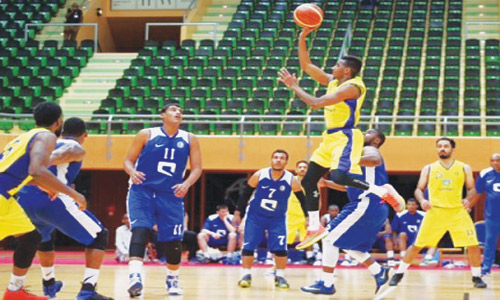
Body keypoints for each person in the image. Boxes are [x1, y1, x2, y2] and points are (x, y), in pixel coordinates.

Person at [278, 28, 403, 250]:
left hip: (347, 135)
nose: (332, 68)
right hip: (330, 137)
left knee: (340, 175)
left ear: (346, 70)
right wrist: (302, 37)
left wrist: (294, 86)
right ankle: (315, 226)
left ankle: (382, 191)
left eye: (336, 65)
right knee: (308, 179)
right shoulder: (334, 81)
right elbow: (307, 66)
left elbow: (316, 103)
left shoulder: (353, 87)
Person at [17, 117, 113, 300]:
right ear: (85, 135)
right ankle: (88, 290)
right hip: (51, 198)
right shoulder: (75, 147)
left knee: (45, 237)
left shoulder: (44, 143)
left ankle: (49, 284)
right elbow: (50, 160)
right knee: (99, 235)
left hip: (26, 198)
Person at [0, 102, 86, 300]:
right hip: (2, 195)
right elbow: (36, 170)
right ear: (59, 122)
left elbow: (18, 170)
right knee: (31, 238)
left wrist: (44, 185)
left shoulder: (23, 137)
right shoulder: (46, 136)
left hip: (7, 196)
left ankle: (15, 291)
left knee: (31, 238)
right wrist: (74, 194)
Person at [301, 129, 402, 296]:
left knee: (328, 238)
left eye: (368, 132)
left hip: (366, 203)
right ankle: (378, 271)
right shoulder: (359, 159)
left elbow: (375, 159)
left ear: (376, 140)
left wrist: (344, 161)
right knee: (347, 244)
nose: (363, 133)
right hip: (372, 205)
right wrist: (326, 183)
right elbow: (349, 185)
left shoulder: (369, 150)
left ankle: (327, 283)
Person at [124, 103, 202, 297]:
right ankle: (135, 277)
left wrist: (187, 184)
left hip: (171, 194)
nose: (178, 113)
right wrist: (132, 172)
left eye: (180, 111)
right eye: (173, 110)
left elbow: (198, 167)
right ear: (162, 115)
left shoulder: (189, 138)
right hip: (143, 190)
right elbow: (127, 161)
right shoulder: (146, 134)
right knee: (140, 230)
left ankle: (173, 279)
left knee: (173, 240)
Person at [389, 137, 487, 288]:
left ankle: (476, 277)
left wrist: (468, 199)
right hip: (435, 212)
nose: (442, 148)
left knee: (473, 245)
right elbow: (418, 189)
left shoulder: (464, 167)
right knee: (417, 245)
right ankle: (399, 273)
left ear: (452, 149)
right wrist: (422, 201)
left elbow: (472, 188)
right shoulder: (429, 168)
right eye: (439, 146)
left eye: (446, 146)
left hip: (457, 212)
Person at [232, 149, 307, 289]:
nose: (278, 160)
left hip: (277, 218)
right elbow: (245, 194)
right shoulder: (260, 174)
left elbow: (302, 200)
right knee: (248, 246)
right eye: (276, 157)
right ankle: (246, 275)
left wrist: (308, 217)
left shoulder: (291, 179)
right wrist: (238, 213)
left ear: (286, 162)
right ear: (271, 160)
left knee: (280, 249)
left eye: (282, 158)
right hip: (256, 216)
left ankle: (280, 276)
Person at [468, 152, 500, 276]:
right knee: (490, 242)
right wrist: (469, 206)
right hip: (492, 215)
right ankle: (486, 269)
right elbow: (478, 192)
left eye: (498, 160)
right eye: (493, 161)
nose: (495, 163)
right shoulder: (485, 174)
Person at [286, 160, 310, 261]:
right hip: (290, 214)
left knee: (308, 238)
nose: (302, 169)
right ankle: (279, 257)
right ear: (296, 170)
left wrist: (313, 215)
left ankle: (310, 257)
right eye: (300, 167)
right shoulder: (290, 181)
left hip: (305, 215)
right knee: (285, 238)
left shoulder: (311, 182)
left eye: (304, 167)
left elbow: (318, 199)